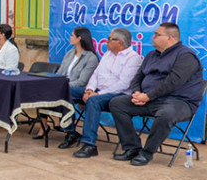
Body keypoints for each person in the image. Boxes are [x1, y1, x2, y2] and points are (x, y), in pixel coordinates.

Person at [109, 23, 204, 166]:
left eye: (157, 34)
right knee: (117, 103)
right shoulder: (152, 55)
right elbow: (138, 77)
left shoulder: (186, 56)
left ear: (170, 38)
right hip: (149, 99)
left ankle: (147, 153)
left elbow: (173, 82)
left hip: (179, 102)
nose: (152, 37)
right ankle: (132, 148)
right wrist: (137, 93)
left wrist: (148, 96)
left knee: (166, 114)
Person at [55, 28, 142, 156]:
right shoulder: (108, 54)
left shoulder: (133, 58)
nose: (107, 41)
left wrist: (98, 94)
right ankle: (71, 132)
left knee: (93, 101)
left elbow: (123, 84)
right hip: (98, 90)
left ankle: (89, 144)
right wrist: (89, 89)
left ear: (120, 42)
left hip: (118, 94)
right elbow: (96, 74)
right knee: (67, 91)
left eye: (110, 39)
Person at [37, 26, 98, 141]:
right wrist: (55, 83)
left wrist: (62, 86)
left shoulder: (91, 58)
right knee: (43, 88)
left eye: (72, 35)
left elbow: (82, 82)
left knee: (66, 92)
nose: (70, 38)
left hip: (80, 89)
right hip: (63, 85)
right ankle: (43, 126)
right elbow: (59, 74)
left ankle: (70, 131)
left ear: (79, 38)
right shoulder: (70, 53)